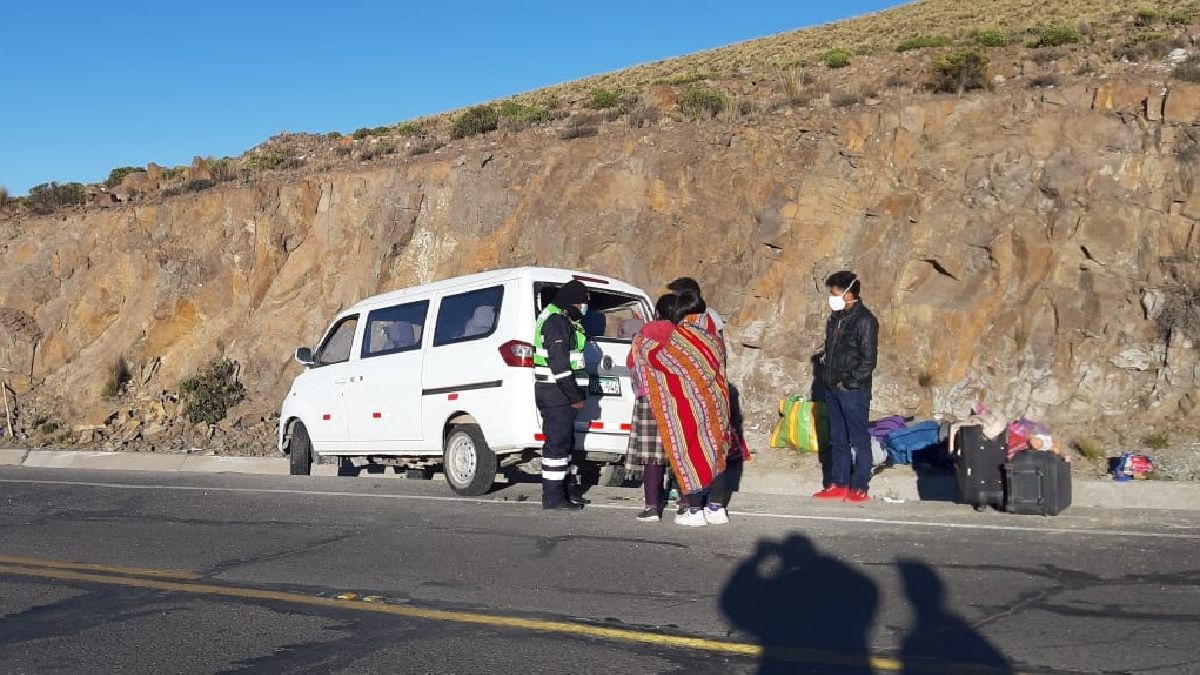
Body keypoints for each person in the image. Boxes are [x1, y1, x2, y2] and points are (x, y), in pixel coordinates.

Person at [636, 290, 733, 527]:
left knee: (690, 452)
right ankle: (717, 507)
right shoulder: (714, 338)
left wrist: (641, 343)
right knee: (716, 451)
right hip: (716, 402)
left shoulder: (681, 336)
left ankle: (694, 509)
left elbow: (663, 359)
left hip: (690, 404)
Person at [813, 271, 879, 504]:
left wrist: (847, 382)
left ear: (849, 294)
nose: (832, 298)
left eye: (835, 293)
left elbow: (868, 360)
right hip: (831, 388)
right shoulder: (834, 318)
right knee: (837, 439)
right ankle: (838, 483)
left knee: (859, 439)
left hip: (853, 390)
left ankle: (860, 486)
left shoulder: (865, 321)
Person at [533, 280, 590, 511]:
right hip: (557, 395)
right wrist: (574, 395)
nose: (584, 308)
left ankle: (564, 492)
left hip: (560, 395)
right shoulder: (556, 322)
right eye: (582, 303)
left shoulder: (561, 319)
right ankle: (553, 498)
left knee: (565, 445)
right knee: (557, 447)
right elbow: (560, 366)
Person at [624, 297, 673, 522]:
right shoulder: (681, 335)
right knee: (678, 452)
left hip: (648, 398)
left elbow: (631, 363)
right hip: (676, 398)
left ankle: (652, 507)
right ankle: (684, 504)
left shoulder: (644, 334)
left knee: (652, 456)